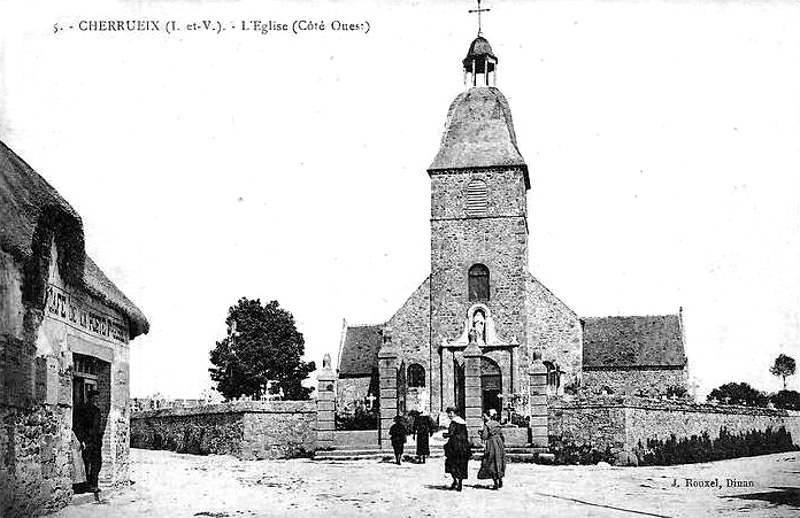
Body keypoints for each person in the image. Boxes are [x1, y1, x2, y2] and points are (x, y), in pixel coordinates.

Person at [75, 389, 103, 492]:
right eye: (95, 398)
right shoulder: (84, 410)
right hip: (88, 441)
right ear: (90, 398)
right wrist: (83, 439)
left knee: (95, 463)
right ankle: (89, 485)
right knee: (88, 463)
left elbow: (96, 428)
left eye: (97, 398)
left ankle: (92, 484)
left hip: (94, 441)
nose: (96, 400)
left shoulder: (96, 410)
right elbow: (79, 426)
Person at [478, 409, 506, 489]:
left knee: (491, 461)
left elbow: (485, 436)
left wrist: (481, 433)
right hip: (499, 443)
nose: (483, 418)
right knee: (499, 461)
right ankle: (500, 480)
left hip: (491, 443)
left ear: (489, 416)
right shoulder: (497, 424)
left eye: (484, 416)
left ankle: (496, 483)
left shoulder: (487, 425)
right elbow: (502, 435)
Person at [443, 407, 470, 491]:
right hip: (464, 446)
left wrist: (445, 435)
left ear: (453, 413)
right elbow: (466, 434)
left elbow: (450, 433)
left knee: (452, 463)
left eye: (450, 413)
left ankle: (455, 481)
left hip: (455, 446)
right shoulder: (463, 422)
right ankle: (460, 483)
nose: (449, 415)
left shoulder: (454, 423)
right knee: (461, 464)